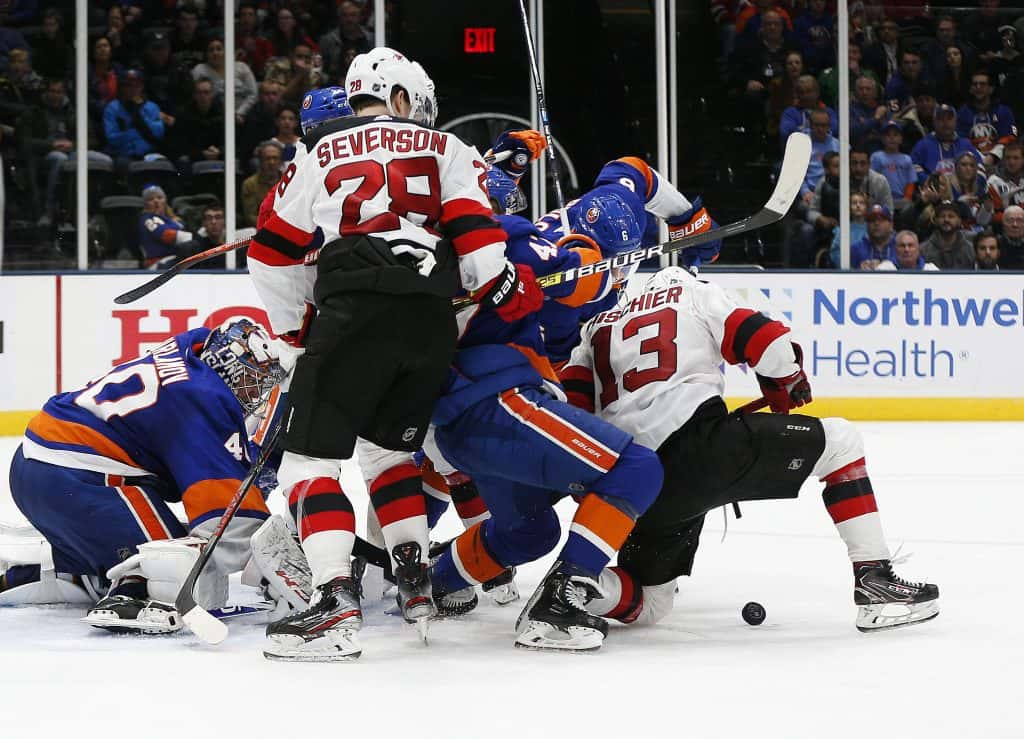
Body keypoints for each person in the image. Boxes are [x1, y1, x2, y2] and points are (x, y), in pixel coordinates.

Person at [247, 56, 541, 661]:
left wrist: (295, 333)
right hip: (430, 326)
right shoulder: (447, 145)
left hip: (355, 315)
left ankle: (332, 607)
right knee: (389, 452)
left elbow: (271, 253)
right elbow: (476, 235)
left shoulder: (317, 152)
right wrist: (497, 281)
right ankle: (415, 580)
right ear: (402, 97)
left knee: (309, 464)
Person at [559, 266, 940, 632]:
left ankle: (569, 588)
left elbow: (573, 413)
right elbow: (766, 339)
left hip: (634, 482)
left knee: (651, 603)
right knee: (841, 442)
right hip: (702, 449)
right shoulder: (694, 292)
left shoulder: (596, 326)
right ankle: (875, 582)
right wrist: (787, 380)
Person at [425, 168, 663, 652]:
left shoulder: (437, 247)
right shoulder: (502, 235)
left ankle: (436, 581)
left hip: (460, 421)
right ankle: (557, 605)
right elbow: (579, 283)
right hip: (493, 402)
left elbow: (559, 322)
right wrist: (590, 260)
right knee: (637, 469)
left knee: (529, 531)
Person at [3, 319, 284, 632]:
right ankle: (134, 593)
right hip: (82, 476)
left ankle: (54, 572)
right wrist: (266, 559)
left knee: (123, 545)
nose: (255, 392)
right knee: (171, 562)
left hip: (36, 464)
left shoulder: (190, 349)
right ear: (224, 365)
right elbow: (223, 518)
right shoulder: (202, 400)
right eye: (250, 378)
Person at [102, 69, 165, 166]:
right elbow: (112, 138)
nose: (133, 89)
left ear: (142, 87)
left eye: (137, 85)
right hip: (123, 154)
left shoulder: (152, 107)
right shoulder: (112, 108)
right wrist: (136, 132)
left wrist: (140, 118)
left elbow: (158, 133)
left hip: (149, 153)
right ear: (122, 87)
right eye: (129, 85)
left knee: (163, 165)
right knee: (122, 164)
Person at [957, 70, 1017, 167]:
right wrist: (979, 157)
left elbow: (1010, 136)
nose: (978, 87)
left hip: (1002, 165)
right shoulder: (963, 113)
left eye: (982, 84)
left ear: (991, 89)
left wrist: (992, 156)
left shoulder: (1003, 111)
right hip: (971, 164)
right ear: (970, 89)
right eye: (975, 84)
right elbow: (960, 140)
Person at [191, 35, 258, 122]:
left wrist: (240, 113)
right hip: (214, 118)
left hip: (245, 115)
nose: (215, 53)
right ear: (206, 54)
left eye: (219, 49)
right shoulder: (200, 70)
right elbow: (195, 95)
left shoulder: (242, 67)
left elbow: (253, 94)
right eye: (211, 50)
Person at [910, 103, 981, 184]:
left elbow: (980, 168)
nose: (945, 122)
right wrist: (932, 181)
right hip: (934, 193)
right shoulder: (923, 145)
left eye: (949, 118)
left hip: (964, 191)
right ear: (934, 122)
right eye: (940, 119)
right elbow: (912, 168)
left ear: (955, 121)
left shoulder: (965, 144)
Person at [168, 77, 224, 167]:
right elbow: (178, 145)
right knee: (182, 161)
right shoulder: (183, 115)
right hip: (193, 157)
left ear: (212, 94)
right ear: (194, 95)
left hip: (218, 155)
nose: (202, 96)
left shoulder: (223, 114)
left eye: (206, 92)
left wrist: (220, 151)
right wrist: (201, 154)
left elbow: (230, 142)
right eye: (199, 93)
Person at [138, 185, 192, 268]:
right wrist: (196, 239)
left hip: (175, 258)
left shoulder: (174, 220)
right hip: (157, 263)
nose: (156, 201)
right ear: (145, 204)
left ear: (165, 200)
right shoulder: (147, 219)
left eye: (159, 197)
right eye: (150, 199)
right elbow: (166, 235)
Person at [319, 0, 373, 79]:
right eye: (345, 15)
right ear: (339, 18)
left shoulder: (371, 39)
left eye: (353, 15)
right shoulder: (328, 41)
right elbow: (322, 70)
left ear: (360, 17)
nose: (349, 19)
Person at [779, 74, 838, 144]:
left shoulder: (828, 112)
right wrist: (818, 132)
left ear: (817, 92)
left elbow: (835, 130)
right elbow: (786, 133)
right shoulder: (790, 113)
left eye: (809, 91)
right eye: (801, 92)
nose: (805, 96)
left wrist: (802, 131)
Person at [238, 81, 284, 166]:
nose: (271, 97)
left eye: (274, 94)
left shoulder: (287, 112)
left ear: (279, 95)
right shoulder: (252, 117)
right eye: (267, 94)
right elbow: (246, 149)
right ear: (260, 96)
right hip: (262, 157)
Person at [921, 199, 975, 269]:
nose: (946, 220)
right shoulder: (923, 250)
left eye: (951, 216)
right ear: (936, 221)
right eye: (942, 216)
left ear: (959, 221)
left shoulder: (970, 250)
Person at [871, 121, 916, 202]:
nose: (892, 138)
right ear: (882, 139)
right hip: (882, 200)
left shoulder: (907, 159)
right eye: (888, 135)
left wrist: (907, 198)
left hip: (902, 199)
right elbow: (873, 180)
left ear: (901, 139)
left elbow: (911, 181)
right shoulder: (876, 157)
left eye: (895, 135)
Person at [242, 141, 284, 227]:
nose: (271, 162)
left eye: (275, 158)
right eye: (267, 158)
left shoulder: (290, 181)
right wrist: (270, 226)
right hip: (261, 230)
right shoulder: (249, 184)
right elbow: (250, 216)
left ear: (280, 161)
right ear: (260, 161)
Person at [986, 140, 1024, 219]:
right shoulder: (993, 181)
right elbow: (994, 216)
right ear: (1003, 160)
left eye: (1016, 158)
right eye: (1008, 158)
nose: (1011, 162)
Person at [851, 203, 896, 269]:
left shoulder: (901, 247)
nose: (876, 223)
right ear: (866, 225)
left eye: (881, 220)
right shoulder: (855, 249)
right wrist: (859, 270)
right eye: (872, 220)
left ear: (891, 225)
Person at [830, 190, 868, 267]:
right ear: (849, 207)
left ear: (866, 207)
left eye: (861, 203)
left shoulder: (871, 229)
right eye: (854, 203)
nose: (858, 205)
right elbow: (835, 253)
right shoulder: (841, 230)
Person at [850, 146, 894, 212]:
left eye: (863, 163)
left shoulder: (880, 181)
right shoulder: (840, 179)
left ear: (869, 164)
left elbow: (889, 210)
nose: (858, 168)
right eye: (854, 163)